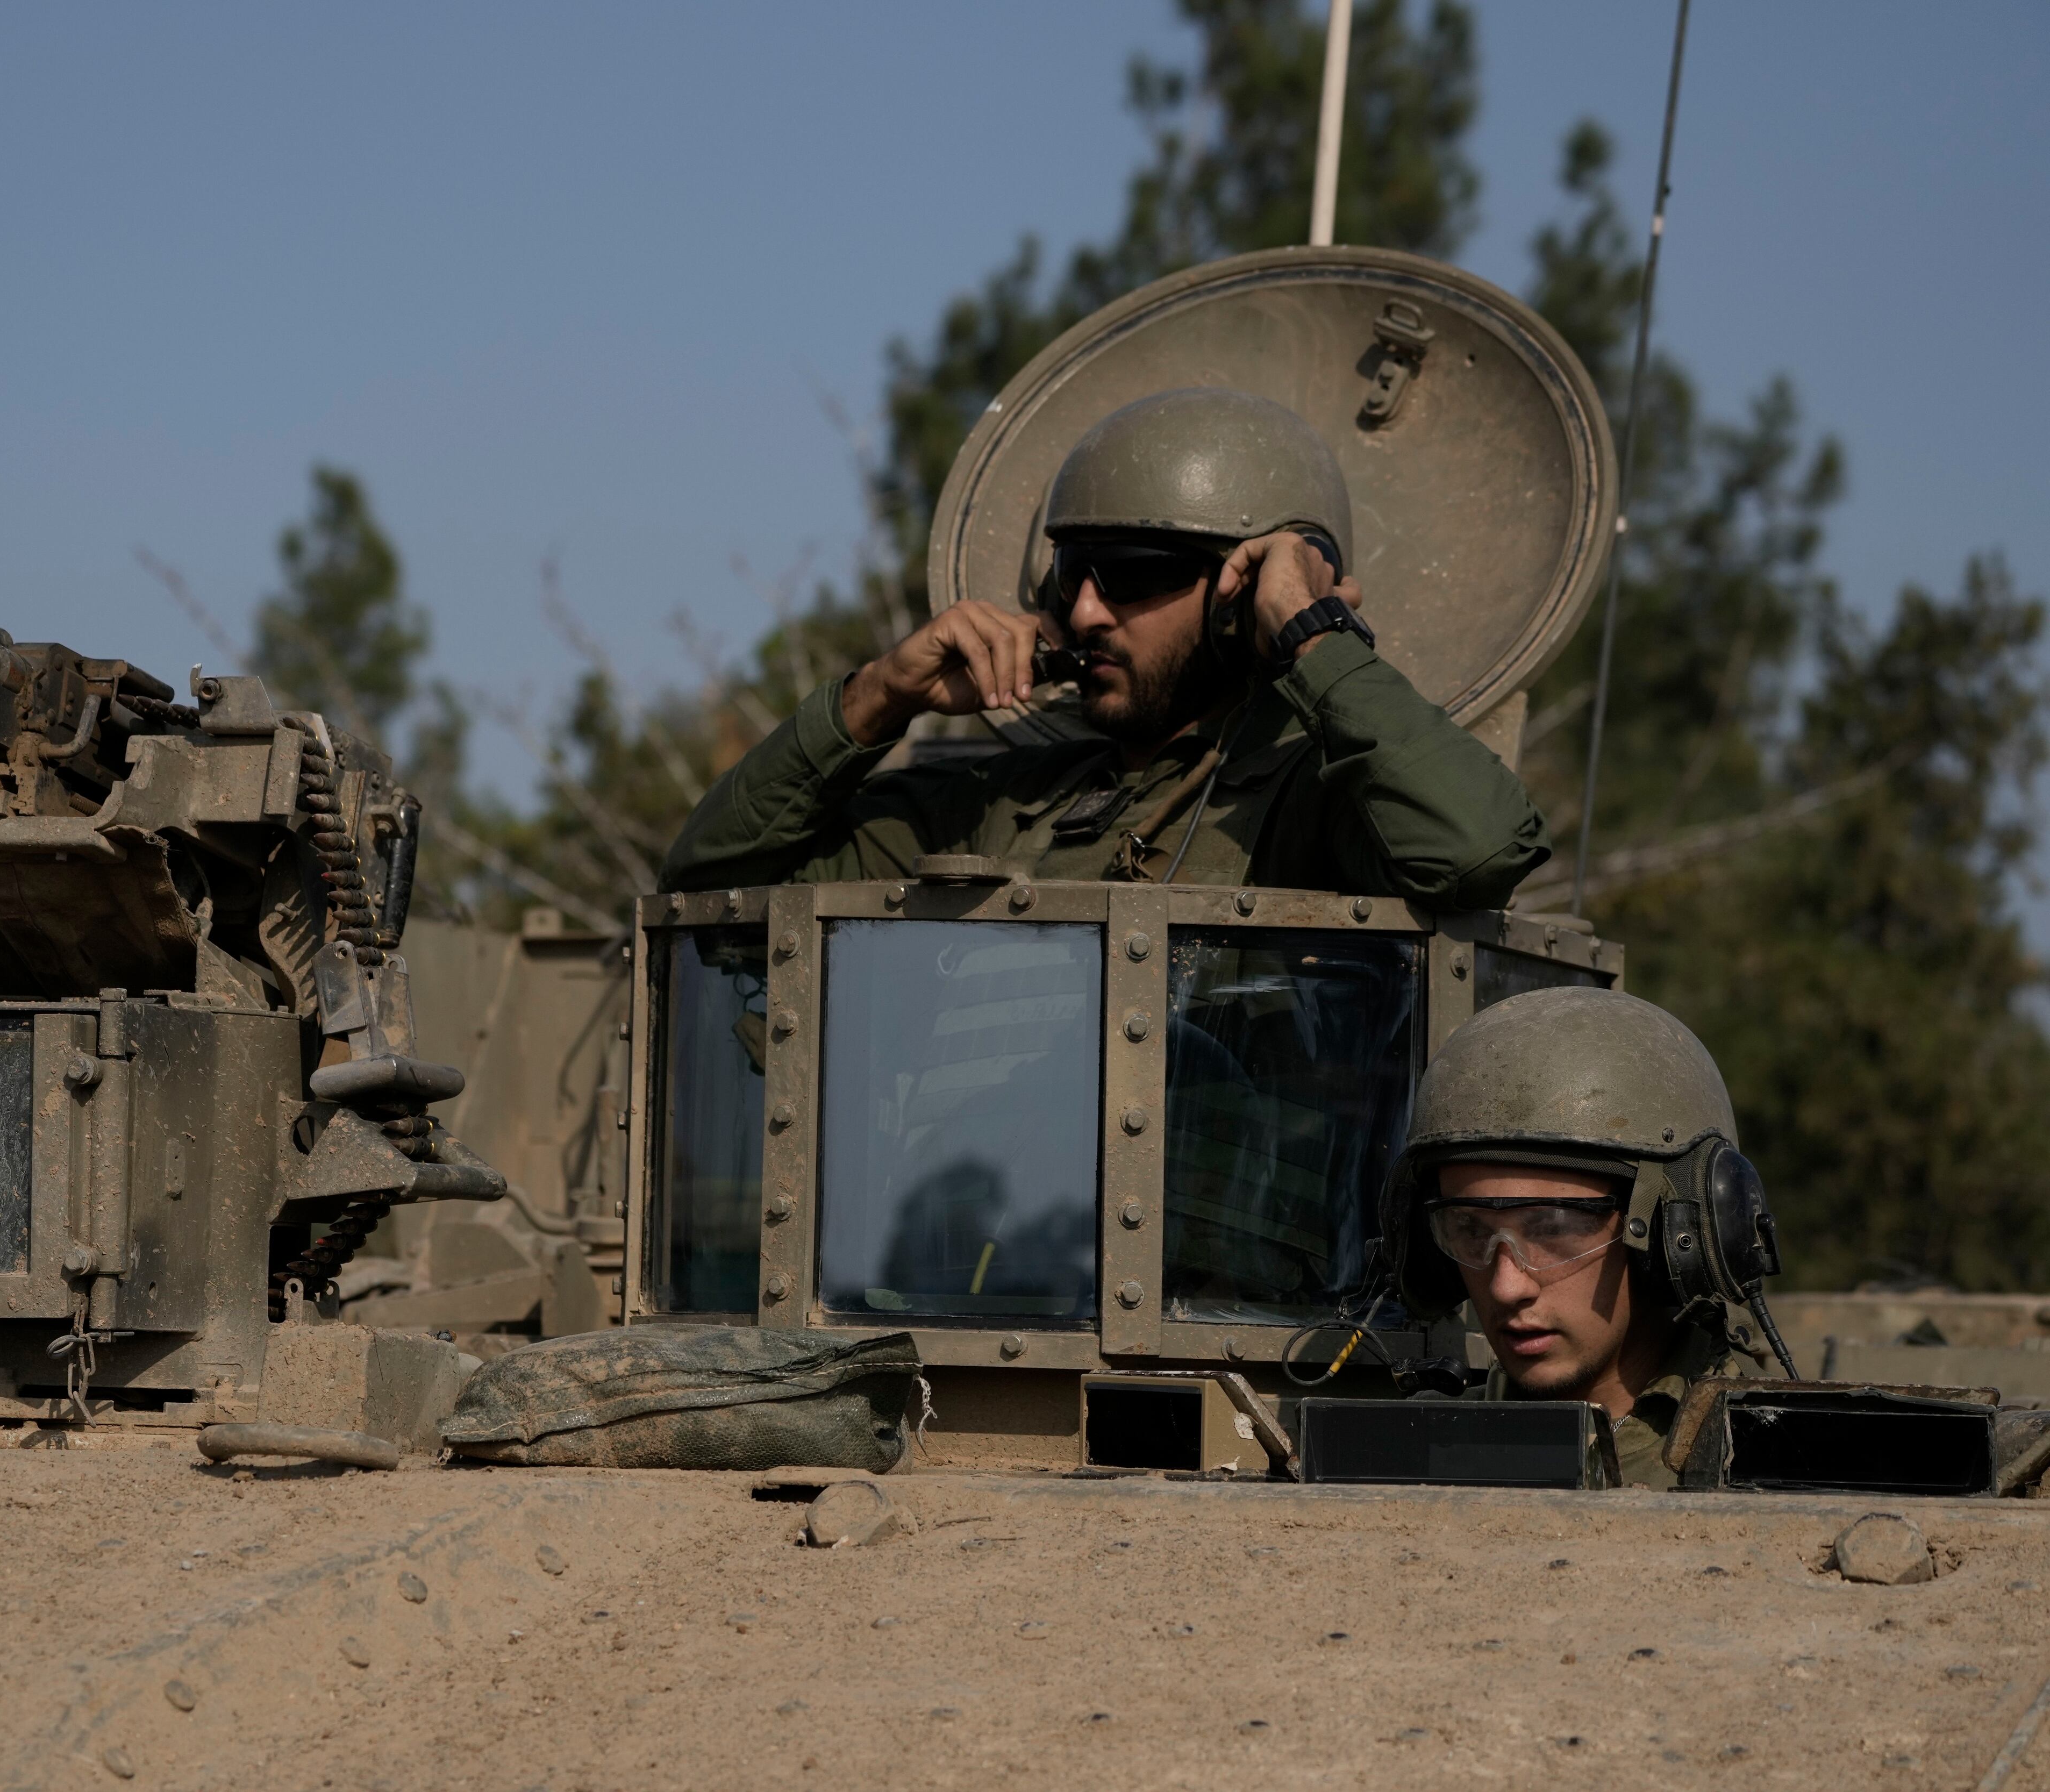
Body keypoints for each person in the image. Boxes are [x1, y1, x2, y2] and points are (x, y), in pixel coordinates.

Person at [660, 387, 1548, 906]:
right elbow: (707, 893)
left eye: (1131, 573)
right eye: (1072, 572)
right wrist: (876, 698)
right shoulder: (987, 802)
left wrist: (1310, 630)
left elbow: (1475, 849)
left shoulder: (1315, 799)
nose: (1085, 611)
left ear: (1244, 593)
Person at [1380, 984, 1795, 1488]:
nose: (1506, 1287)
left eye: (1553, 1228)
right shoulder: (1419, 1451)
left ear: (1675, 1235)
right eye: (1469, 1229)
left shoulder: (1773, 1461)